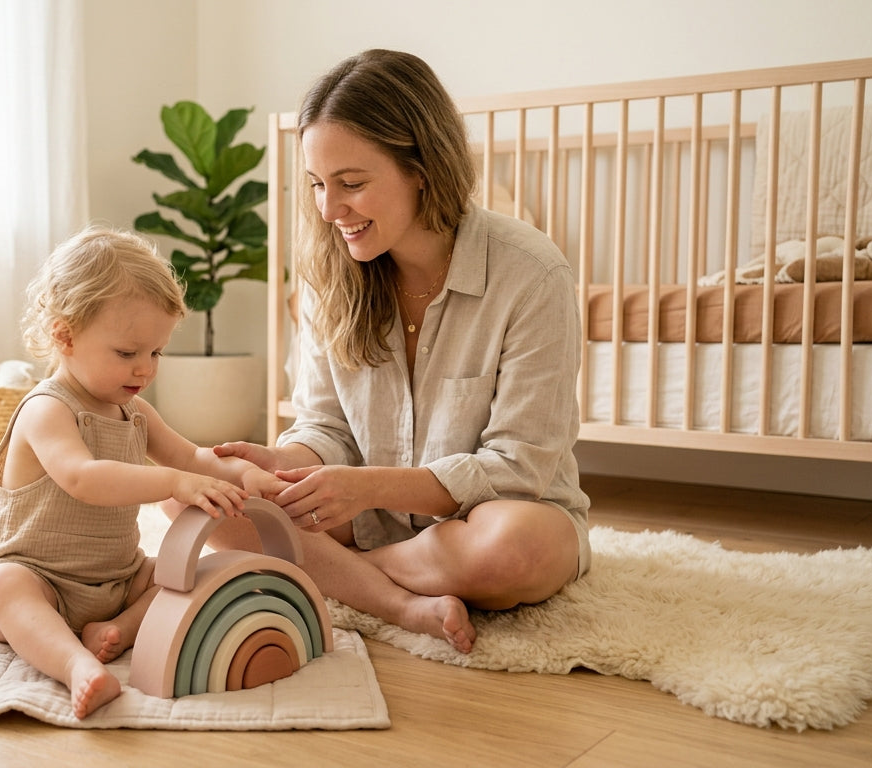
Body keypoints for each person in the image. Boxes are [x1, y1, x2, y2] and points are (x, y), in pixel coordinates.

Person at [209, 49, 591, 654]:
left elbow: (519, 467)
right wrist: (285, 461)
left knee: (512, 551)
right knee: (226, 516)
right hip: (369, 520)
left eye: (352, 184)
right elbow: (327, 425)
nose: (329, 211)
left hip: (504, 514)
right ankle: (405, 591)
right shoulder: (328, 277)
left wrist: (368, 488)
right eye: (317, 185)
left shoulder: (533, 273)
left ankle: (348, 575)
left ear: (421, 167)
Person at [0, 226, 287, 719]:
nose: (145, 370)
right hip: (39, 578)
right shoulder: (47, 409)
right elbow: (82, 476)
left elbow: (194, 457)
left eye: (155, 353)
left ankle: (117, 630)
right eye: (127, 353)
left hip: (117, 582)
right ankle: (76, 665)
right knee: (1, 588)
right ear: (65, 335)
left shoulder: (135, 413)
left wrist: (247, 474)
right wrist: (173, 483)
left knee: (184, 573)